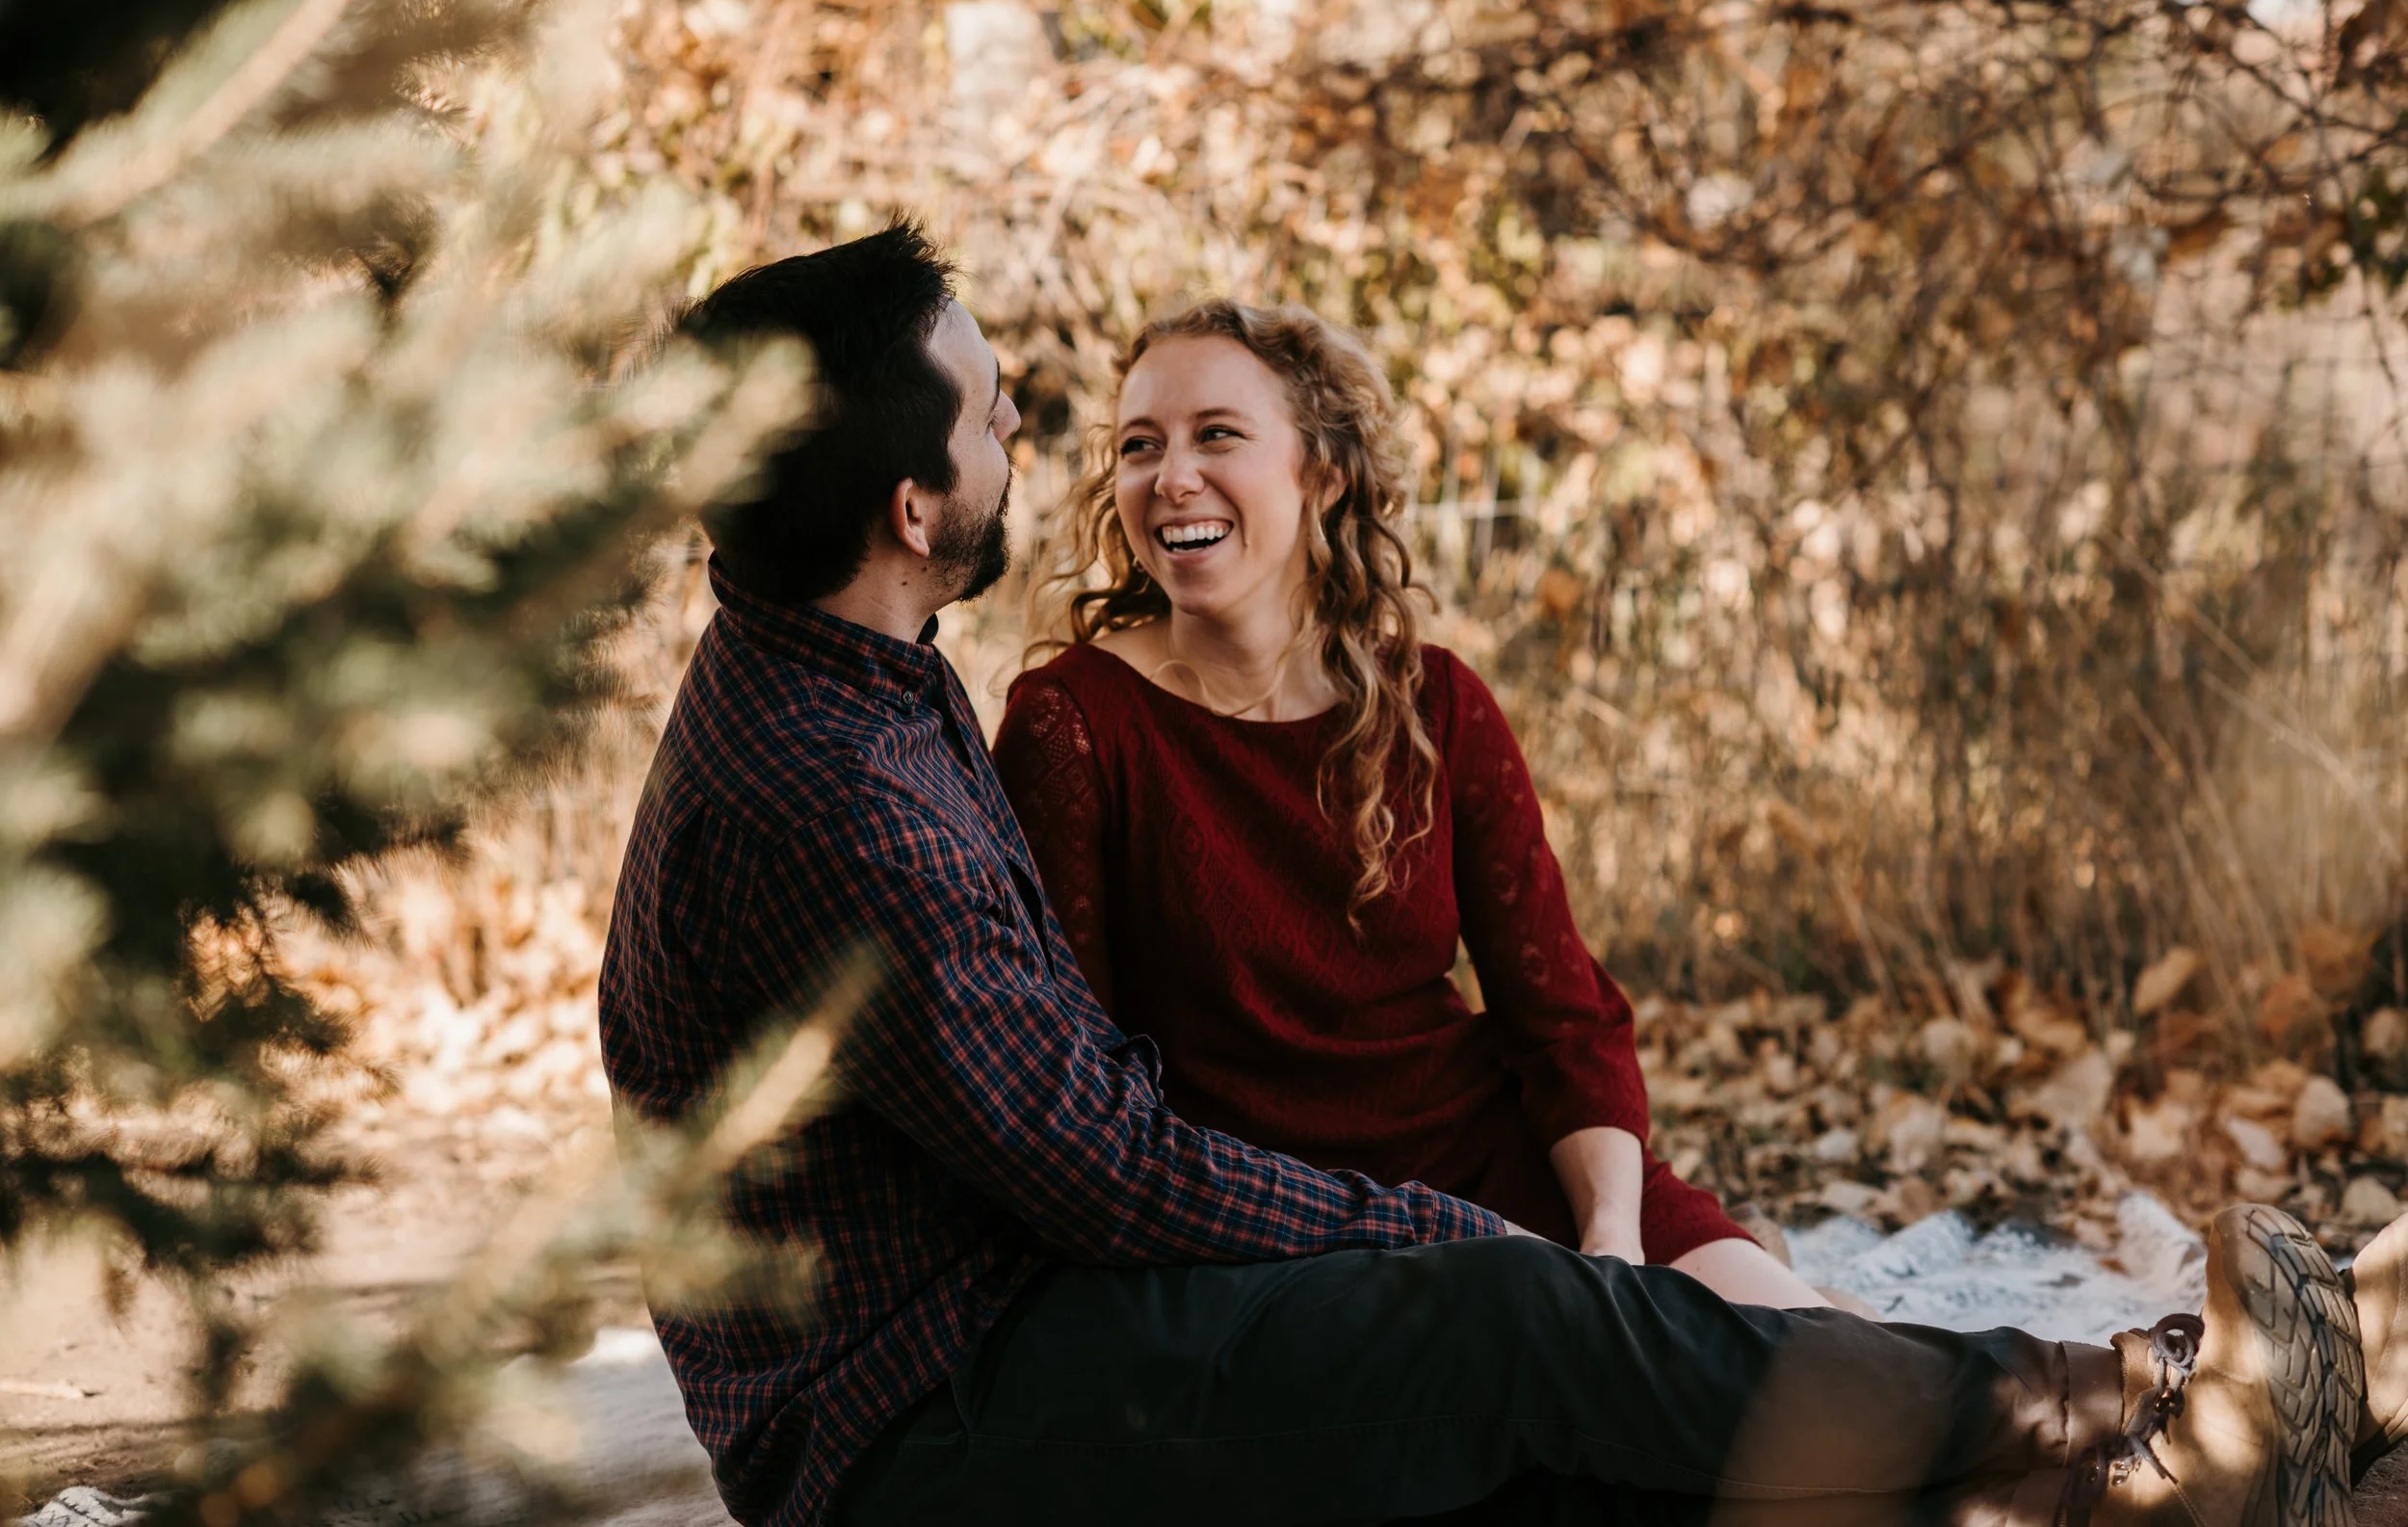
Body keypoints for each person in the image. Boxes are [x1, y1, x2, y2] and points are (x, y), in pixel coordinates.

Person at [597, 222, 2393, 1527]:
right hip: (925, 1415)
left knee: (1606, 1381)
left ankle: (2141, 1461)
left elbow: (1544, 1010)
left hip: (1025, 1317)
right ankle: (2153, 1396)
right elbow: (1106, 1154)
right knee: (1525, 1340)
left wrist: (1535, 1223)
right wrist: (1429, 1234)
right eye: (997, 419)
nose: (1029, 440)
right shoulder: (847, 784)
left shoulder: (859, 668)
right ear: (911, 511)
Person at [991, 298, 1818, 1309]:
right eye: (1139, 445)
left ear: (1323, 472)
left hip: (1495, 1165)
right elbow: (1077, 1091)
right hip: (1273, 1239)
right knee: (1699, 1384)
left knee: (1835, 1348)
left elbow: (1564, 1025)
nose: (1170, 477)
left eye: (1217, 434)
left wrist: (1611, 1238)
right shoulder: (1072, 725)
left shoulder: (1435, 703)